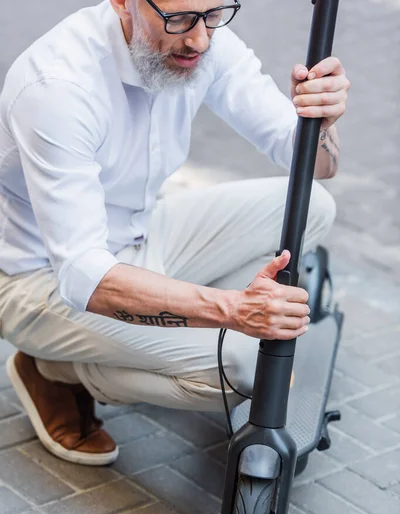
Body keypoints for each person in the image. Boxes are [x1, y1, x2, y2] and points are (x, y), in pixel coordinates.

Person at [0, 0, 350, 466]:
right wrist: (231, 310)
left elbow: (317, 167)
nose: (200, 39)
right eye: (179, 18)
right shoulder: (58, 86)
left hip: (142, 233)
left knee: (314, 209)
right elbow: (84, 272)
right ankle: (51, 368)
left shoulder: (202, 38)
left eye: (213, 15)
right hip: (40, 283)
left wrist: (320, 123)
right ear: (123, 3)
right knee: (245, 366)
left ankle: (163, 337)